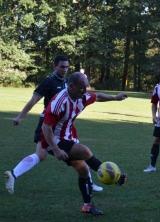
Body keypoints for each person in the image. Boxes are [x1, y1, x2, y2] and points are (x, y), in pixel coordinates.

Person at [4, 55, 103, 194]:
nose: (65, 69)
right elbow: (34, 100)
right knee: (52, 154)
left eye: (67, 67)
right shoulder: (49, 81)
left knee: (50, 155)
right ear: (54, 66)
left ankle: (13, 174)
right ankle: (13, 174)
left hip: (63, 125)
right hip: (48, 123)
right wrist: (20, 116)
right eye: (62, 67)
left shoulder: (69, 82)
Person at [41, 72, 128, 216]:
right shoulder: (59, 102)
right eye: (82, 88)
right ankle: (115, 178)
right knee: (85, 151)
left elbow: (97, 96)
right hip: (52, 140)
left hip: (68, 137)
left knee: (83, 169)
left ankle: (87, 206)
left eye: (86, 88)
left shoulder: (81, 96)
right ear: (71, 86)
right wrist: (55, 149)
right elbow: (45, 127)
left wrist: (115, 98)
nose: (85, 91)